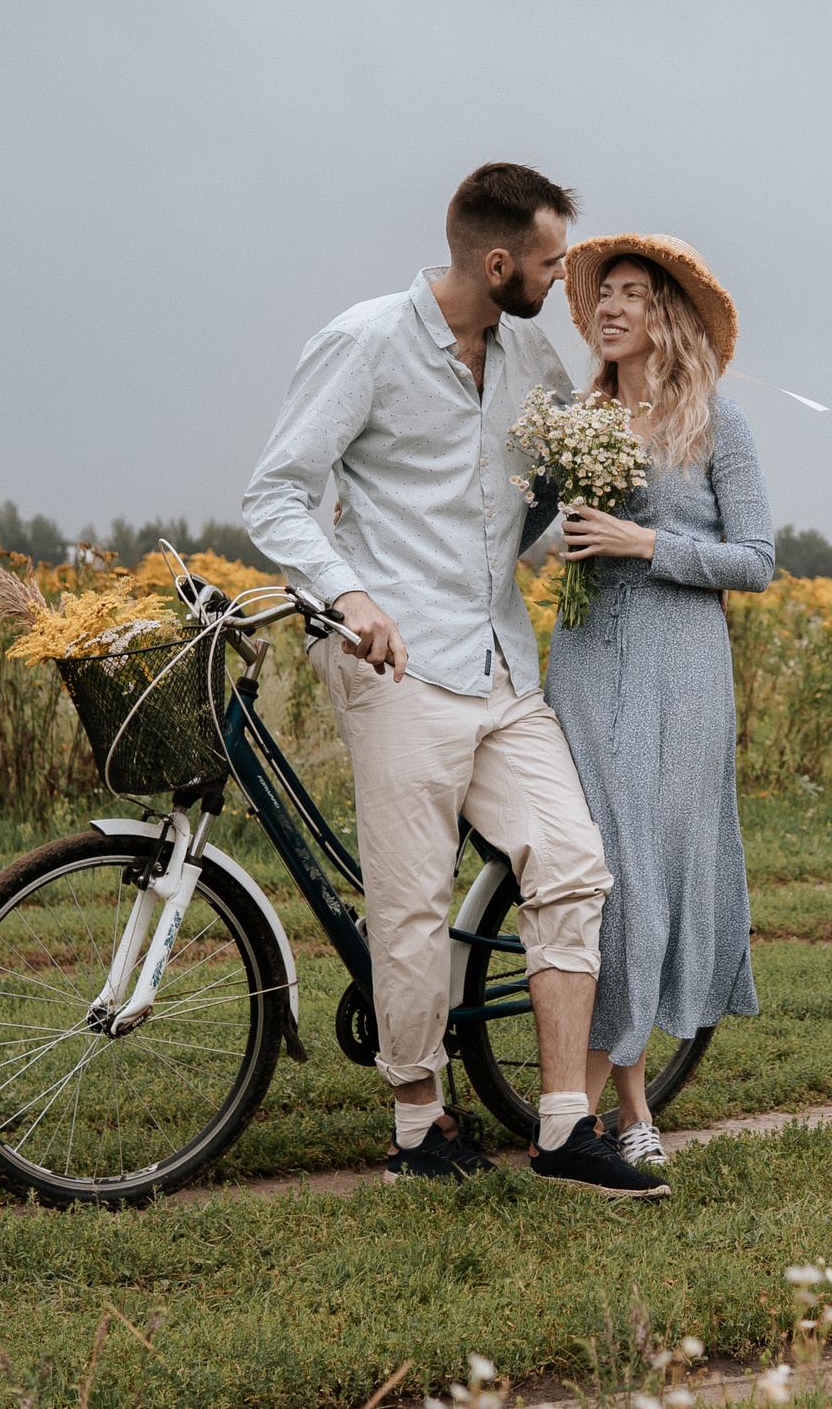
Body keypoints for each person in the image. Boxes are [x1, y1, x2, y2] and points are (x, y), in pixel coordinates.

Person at [243, 164, 668, 1199]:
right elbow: (275, 495)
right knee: (410, 904)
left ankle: (565, 1124)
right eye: (551, 260)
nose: (563, 278)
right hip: (398, 666)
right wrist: (351, 597)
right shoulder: (366, 342)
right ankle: (416, 1123)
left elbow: (555, 474)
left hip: (502, 666)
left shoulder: (527, 352)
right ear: (497, 263)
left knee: (571, 865)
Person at [539, 234, 774, 1169]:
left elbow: (756, 561)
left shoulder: (718, 423)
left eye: (632, 293)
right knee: (597, 877)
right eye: (604, 294)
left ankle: (584, 1114)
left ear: (666, 315)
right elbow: (531, 533)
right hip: (589, 662)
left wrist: (646, 545)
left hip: (680, 671)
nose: (611, 307)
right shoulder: (578, 417)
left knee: (642, 879)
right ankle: (620, 1112)